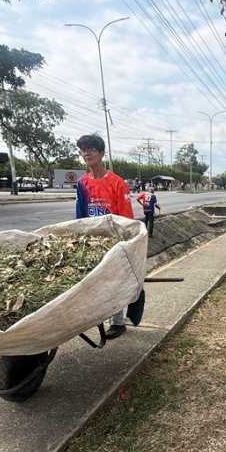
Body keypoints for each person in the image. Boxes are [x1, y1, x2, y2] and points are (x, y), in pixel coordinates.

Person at [74, 133, 134, 339]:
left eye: (91, 149)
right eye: (83, 150)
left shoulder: (117, 183)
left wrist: (125, 241)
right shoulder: (83, 183)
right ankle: (98, 316)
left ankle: (117, 322)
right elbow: (80, 214)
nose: (86, 153)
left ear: (101, 153)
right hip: (92, 241)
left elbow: (125, 216)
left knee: (113, 282)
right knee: (94, 282)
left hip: (113, 240)